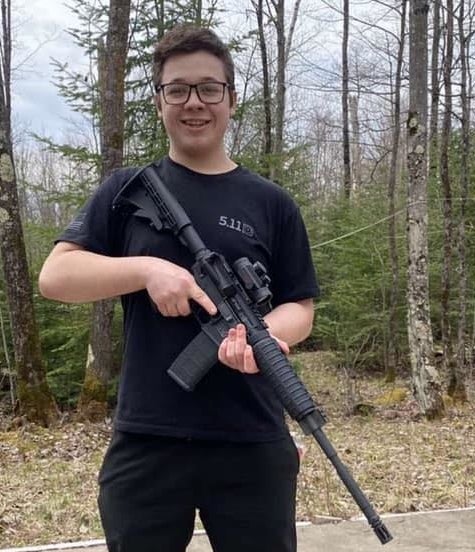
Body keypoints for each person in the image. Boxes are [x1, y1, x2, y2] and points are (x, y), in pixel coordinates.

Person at [39, 24, 318, 552]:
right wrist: (146, 270)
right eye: (178, 89)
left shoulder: (273, 203)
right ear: (159, 99)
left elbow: (299, 306)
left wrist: (263, 340)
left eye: (209, 89)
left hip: (251, 439)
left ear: (231, 99)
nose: (195, 103)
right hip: (148, 438)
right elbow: (55, 277)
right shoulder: (127, 190)